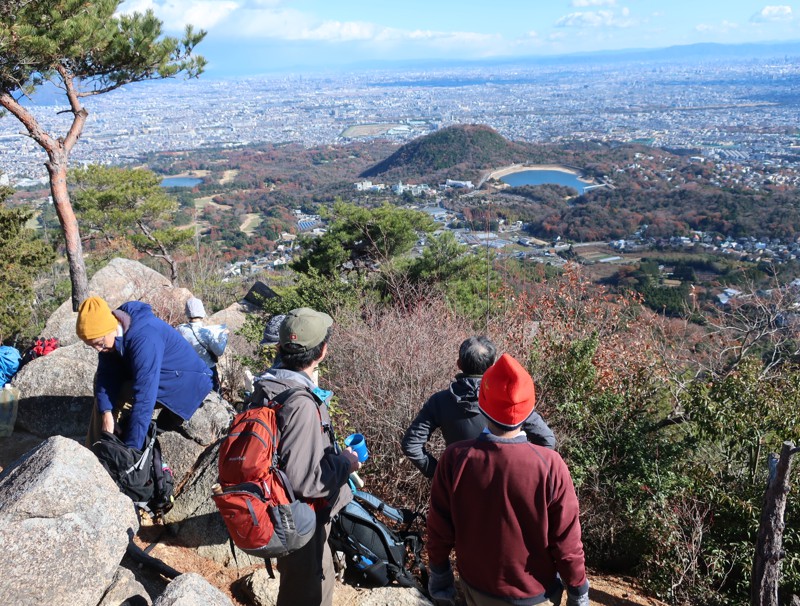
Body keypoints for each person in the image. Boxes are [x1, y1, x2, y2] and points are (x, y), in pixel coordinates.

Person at [426, 353, 589, 606]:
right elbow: (566, 541)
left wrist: (439, 573)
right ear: (529, 409)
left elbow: (439, 528)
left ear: (482, 403)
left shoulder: (455, 458)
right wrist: (578, 589)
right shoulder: (550, 464)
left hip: (475, 587)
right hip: (535, 594)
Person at [249, 307, 360, 606]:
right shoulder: (300, 402)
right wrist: (345, 464)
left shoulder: (266, 387)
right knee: (308, 595)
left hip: (274, 510)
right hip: (300, 520)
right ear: (322, 351)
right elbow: (306, 481)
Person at [401, 336, 556, 478]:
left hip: (460, 493)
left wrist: (442, 476)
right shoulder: (510, 399)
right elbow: (547, 440)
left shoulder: (440, 401)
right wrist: (523, 472)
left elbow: (411, 444)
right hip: (506, 486)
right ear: (493, 366)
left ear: (459, 364)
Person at [77, 296, 213, 450]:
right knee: (103, 392)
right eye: (92, 345)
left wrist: (132, 449)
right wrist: (107, 413)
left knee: (124, 393)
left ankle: (100, 453)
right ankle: (100, 450)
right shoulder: (112, 336)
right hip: (160, 377)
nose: (98, 349)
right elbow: (106, 375)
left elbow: (145, 397)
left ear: (110, 328)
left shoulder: (144, 338)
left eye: (99, 343)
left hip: (186, 384)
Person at [176, 297, 228, 392]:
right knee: (213, 395)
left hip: (188, 369)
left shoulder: (180, 329)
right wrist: (224, 336)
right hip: (208, 369)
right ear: (202, 312)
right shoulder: (206, 333)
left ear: (187, 313)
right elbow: (219, 351)